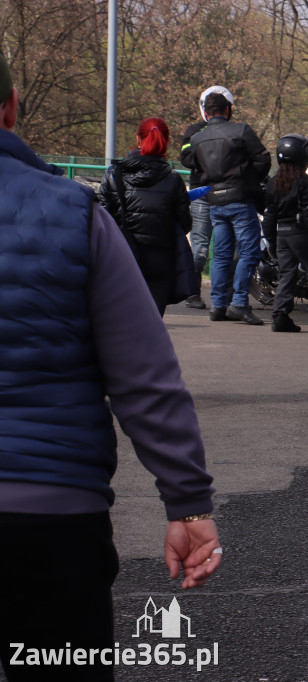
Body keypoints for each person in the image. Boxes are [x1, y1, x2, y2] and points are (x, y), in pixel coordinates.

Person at [0, 53, 221, 682]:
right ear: (11, 109)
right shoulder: (71, 214)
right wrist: (189, 504)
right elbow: (144, 377)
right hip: (52, 517)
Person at [186, 90, 271, 325]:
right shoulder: (240, 130)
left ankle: (218, 305)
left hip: (214, 200)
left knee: (221, 255)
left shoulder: (196, 139)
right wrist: (249, 179)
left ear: (205, 112)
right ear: (227, 110)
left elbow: (195, 167)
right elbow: (263, 159)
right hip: (240, 199)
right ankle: (239, 303)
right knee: (249, 251)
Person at [98, 117, 192, 316]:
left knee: (121, 323)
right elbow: (184, 223)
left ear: (138, 140)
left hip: (122, 258)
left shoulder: (114, 175)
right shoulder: (174, 179)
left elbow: (103, 218)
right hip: (160, 261)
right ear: (165, 142)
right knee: (152, 322)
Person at [262, 134, 308, 332]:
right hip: (300, 233)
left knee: (286, 275)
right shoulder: (304, 181)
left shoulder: (274, 181)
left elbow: (269, 215)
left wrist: (272, 240)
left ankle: (280, 314)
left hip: (282, 234)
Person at [179, 85, 234, 310]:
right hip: (202, 193)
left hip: (226, 192)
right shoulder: (194, 130)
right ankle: (192, 292)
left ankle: (226, 295)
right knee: (200, 245)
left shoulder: (232, 129)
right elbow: (185, 156)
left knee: (228, 247)